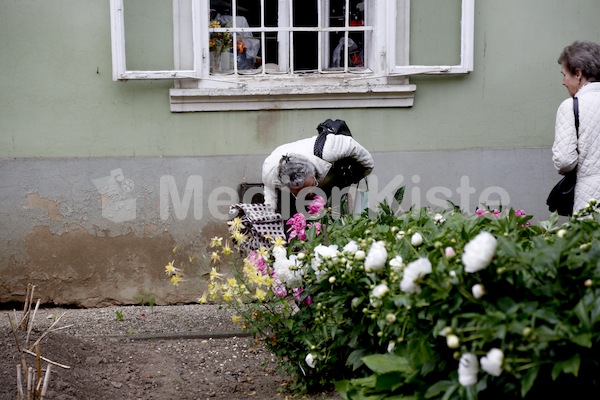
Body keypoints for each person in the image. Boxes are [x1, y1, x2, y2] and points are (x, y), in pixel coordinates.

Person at [262, 122, 374, 218]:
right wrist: (268, 216)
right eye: (299, 192)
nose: (310, 192)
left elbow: (353, 146)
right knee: (296, 215)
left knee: (334, 211)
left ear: (311, 172)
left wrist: (364, 171)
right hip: (298, 181)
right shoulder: (270, 173)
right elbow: (270, 193)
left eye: (310, 185)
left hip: (330, 174)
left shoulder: (329, 150)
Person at [552, 40, 600, 214]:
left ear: (578, 74)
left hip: (591, 199)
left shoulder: (572, 106)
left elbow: (564, 161)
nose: (563, 82)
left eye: (564, 75)